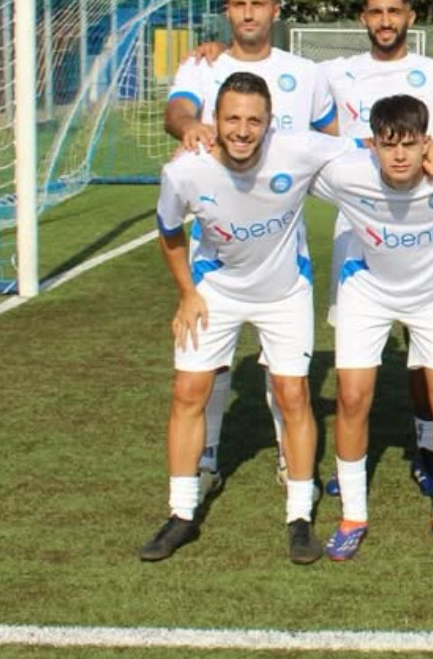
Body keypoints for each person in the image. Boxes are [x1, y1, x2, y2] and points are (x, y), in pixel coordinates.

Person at [142, 72, 348, 564]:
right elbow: (169, 232)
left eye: (254, 121)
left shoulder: (298, 149)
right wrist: (187, 293)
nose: (242, 130)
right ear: (214, 120)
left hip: (284, 292)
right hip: (214, 289)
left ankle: (299, 516)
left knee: (293, 394)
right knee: (188, 390)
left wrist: (430, 148)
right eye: (232, 118)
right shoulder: (184, 171)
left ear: (270, 122)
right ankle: (181, 513)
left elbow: (369, 148)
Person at [163, 0, 338, 498]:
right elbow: (178, 111)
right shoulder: (205, 63)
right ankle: (206, 458)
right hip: (217, 250)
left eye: (258, 4)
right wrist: (190, 127)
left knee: (287, 377)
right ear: (227, 11)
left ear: (276, 10)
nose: (248, 13)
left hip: (282, 245)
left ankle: (291, 461)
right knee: (207, 369)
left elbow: (330, 139)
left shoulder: (305, 72)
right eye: (238, 4)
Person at [310, 95, 433, 560]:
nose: (398, 155)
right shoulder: (347, 173)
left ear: (426, 143)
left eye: (409, 144)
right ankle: (353, 516)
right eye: (388, 144)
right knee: (353, 397)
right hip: (366, 290)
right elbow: (285, 155)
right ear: (372, 144)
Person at [322, 0, 433, 499]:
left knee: (425, 356)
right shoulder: (333, 73)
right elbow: (277, 94)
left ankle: (427, 448)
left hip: (424, 232)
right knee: (355, 366)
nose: (385, 21)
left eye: (394, 11)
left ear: (411, 16)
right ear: (362, 17)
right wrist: (213, 52)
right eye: (375, 12)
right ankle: (351, 466)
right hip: (358, 229)